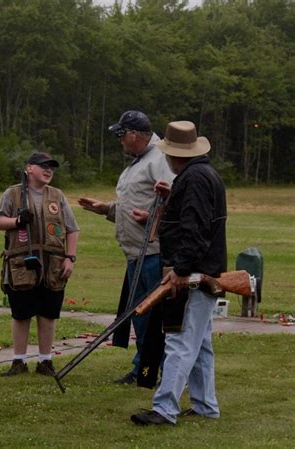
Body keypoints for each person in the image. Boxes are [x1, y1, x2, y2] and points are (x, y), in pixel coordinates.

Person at [131, 120, 227, 426]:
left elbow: (194, 229)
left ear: (174, 154)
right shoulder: (198, 176)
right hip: (202, 270)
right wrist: (172, 195)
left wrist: (180, 270)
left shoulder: (194, 179)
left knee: (180, 341)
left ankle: (164, 409)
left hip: (192, 274)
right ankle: (204, 406)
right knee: (200, 346)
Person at [78, 110, 174, 384]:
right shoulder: (139, 161)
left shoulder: (160, 159)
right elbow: (137, 203)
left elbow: (175, 202)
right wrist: (107, 209)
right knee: (140, 317)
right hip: (136, 254)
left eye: (121, 135)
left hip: (153, 254)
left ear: (134, 135)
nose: (119, 141)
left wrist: (155, 218)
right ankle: (142, 369)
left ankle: (157, 372)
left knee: (153, 319)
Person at [0, 152, 79, 377]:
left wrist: (70, 257)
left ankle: (45, 361)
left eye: (51, 167)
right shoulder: (12, 193)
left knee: (48, 313)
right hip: (21, 264)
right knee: (21, 313)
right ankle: (18, 361)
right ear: (29, 168)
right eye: (43, 166)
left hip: (54, 264)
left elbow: (72, 228)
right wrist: (17, 221)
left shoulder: (58, 196)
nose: (49, 170)